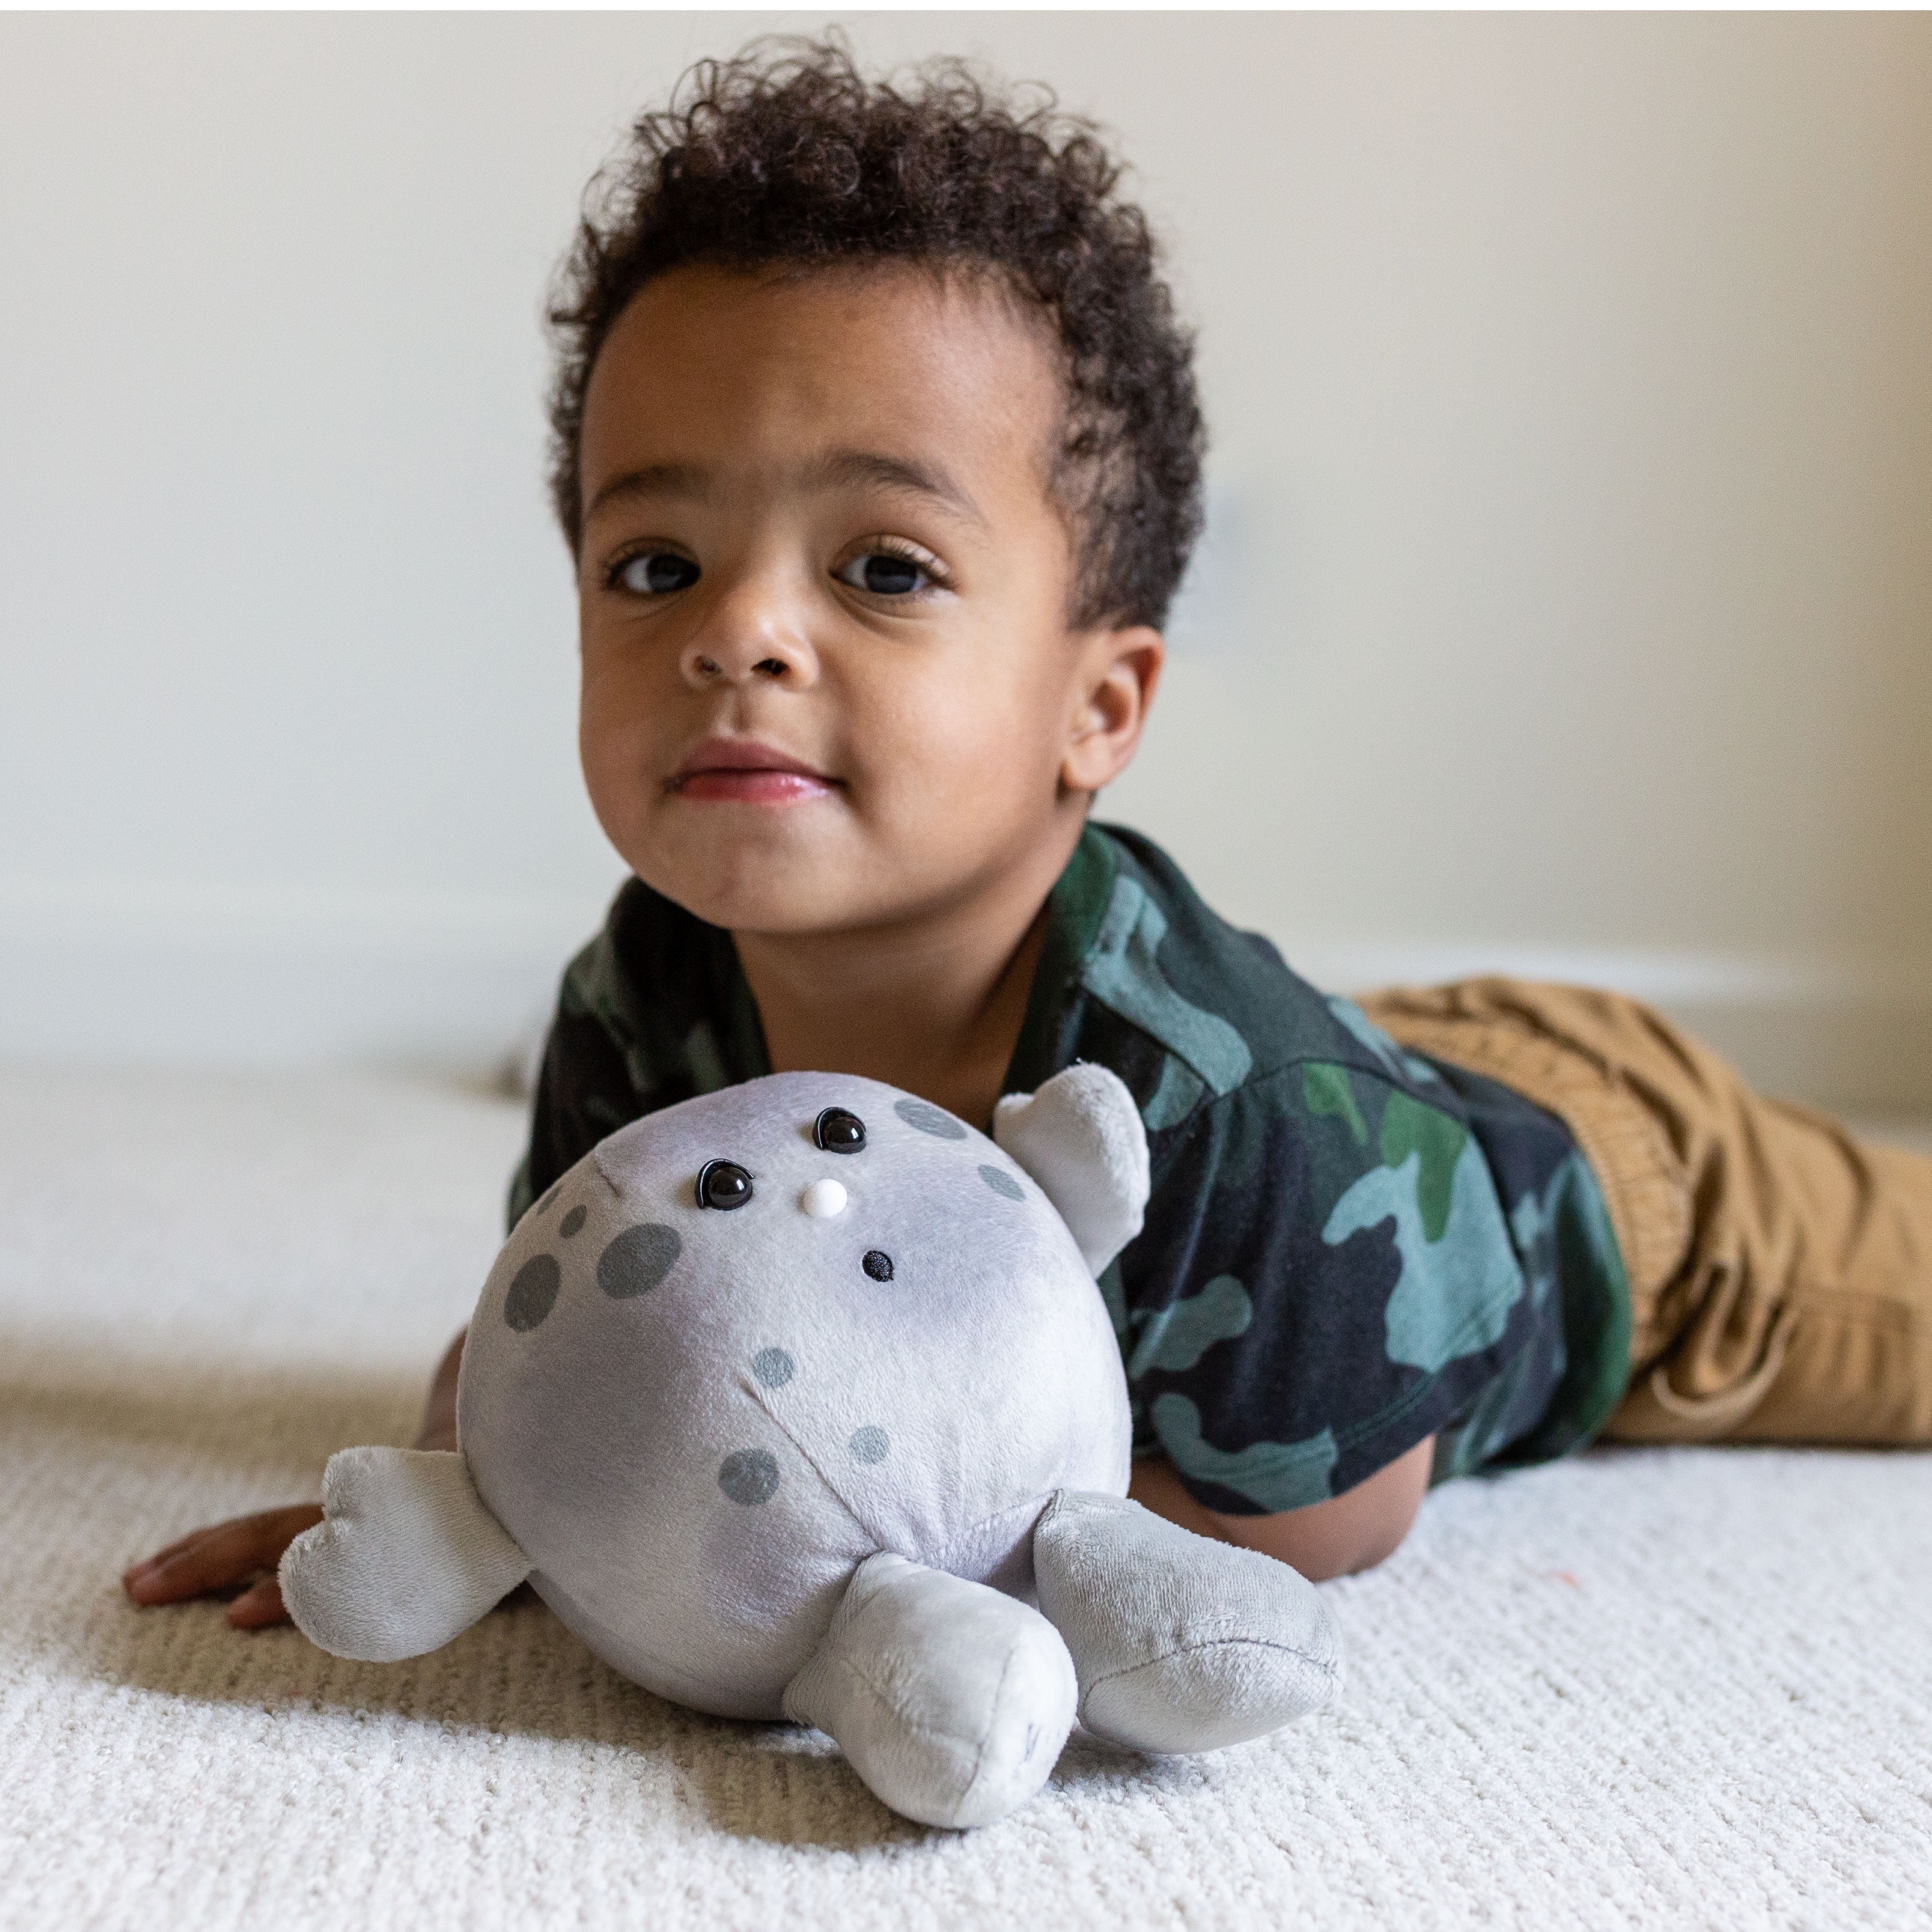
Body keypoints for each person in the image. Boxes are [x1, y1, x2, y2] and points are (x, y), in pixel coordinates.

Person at [124, 40, 1932, 1635]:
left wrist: (861, 1567)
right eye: (655, 563)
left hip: (1649, 1212)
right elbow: (574, 1343)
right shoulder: (641, 994)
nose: (737, 633)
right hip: (1371, 1073)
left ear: (1101, 708)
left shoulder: (1217, 1104)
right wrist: (479, 1504)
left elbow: (1334, 1509)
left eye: (884, 567)